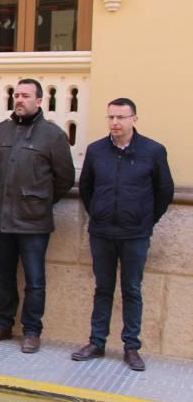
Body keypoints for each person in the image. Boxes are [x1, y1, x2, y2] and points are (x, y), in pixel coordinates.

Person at [73, 98, 174, 372]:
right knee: (102, 288)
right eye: (111, 117)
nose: (115, 122)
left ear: (134, 119)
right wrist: (98, 214)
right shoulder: (96, 151)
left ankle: (131, 347)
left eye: (121, 117)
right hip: (102, 232)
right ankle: (96, 342)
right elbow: (86, 189)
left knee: (131, 290)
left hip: (135, 234)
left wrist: (145, 220)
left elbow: (164, 191)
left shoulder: (153, 151)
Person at [0, 78, 75, 353]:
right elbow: (0, 170)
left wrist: (40, 201)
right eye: (17, 95)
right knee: (3, 275)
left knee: (35, 280)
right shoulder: (2, 130)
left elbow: (64, 178)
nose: (19, 99)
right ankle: (3, 324)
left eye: (26, 95)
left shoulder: (53, 135)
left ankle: (32, 331)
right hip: (3, 218)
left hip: (34, 221)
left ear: (39, 101)